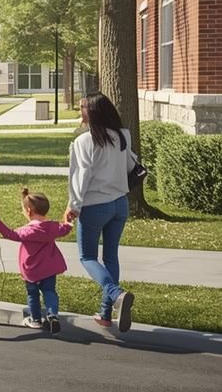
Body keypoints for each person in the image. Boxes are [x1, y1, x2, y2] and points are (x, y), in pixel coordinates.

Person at [65, 95, 137, 332]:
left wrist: (73, 206)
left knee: (87, 257)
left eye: (83, 107)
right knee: (111, 257)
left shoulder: (85, 141)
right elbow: (130, 166)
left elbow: (80, 176)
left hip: (95, 205)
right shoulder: (122, 136)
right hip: (120, 204)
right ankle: (106, 313)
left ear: (93, 112)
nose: (80, 110)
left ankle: (116, 295)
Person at [0, 187, 72, 335]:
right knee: (50, 292)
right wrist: (68, 220)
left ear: (28, 212)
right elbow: (66, 229)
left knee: (33, 295)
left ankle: (35, 319)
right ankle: (52, 314)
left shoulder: (25, 232)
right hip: (49, 269)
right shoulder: (53, 227)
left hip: (31, 271)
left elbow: (9, 233)